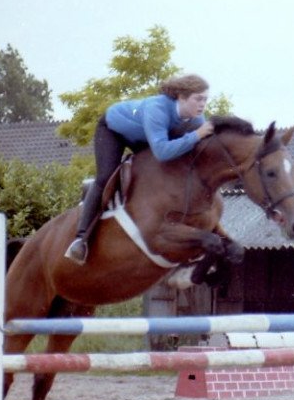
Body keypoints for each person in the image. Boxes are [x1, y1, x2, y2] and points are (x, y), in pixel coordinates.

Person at [65, 74, 214, 265]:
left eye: (205, 99)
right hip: (114, 131)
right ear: (182, 97)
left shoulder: (197, 119)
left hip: (145, 138)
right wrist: (195, 136)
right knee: (105, 176)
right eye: (198, 99)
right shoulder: (157, 108)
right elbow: (161, 151)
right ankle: (81, 238)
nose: (203, 104)